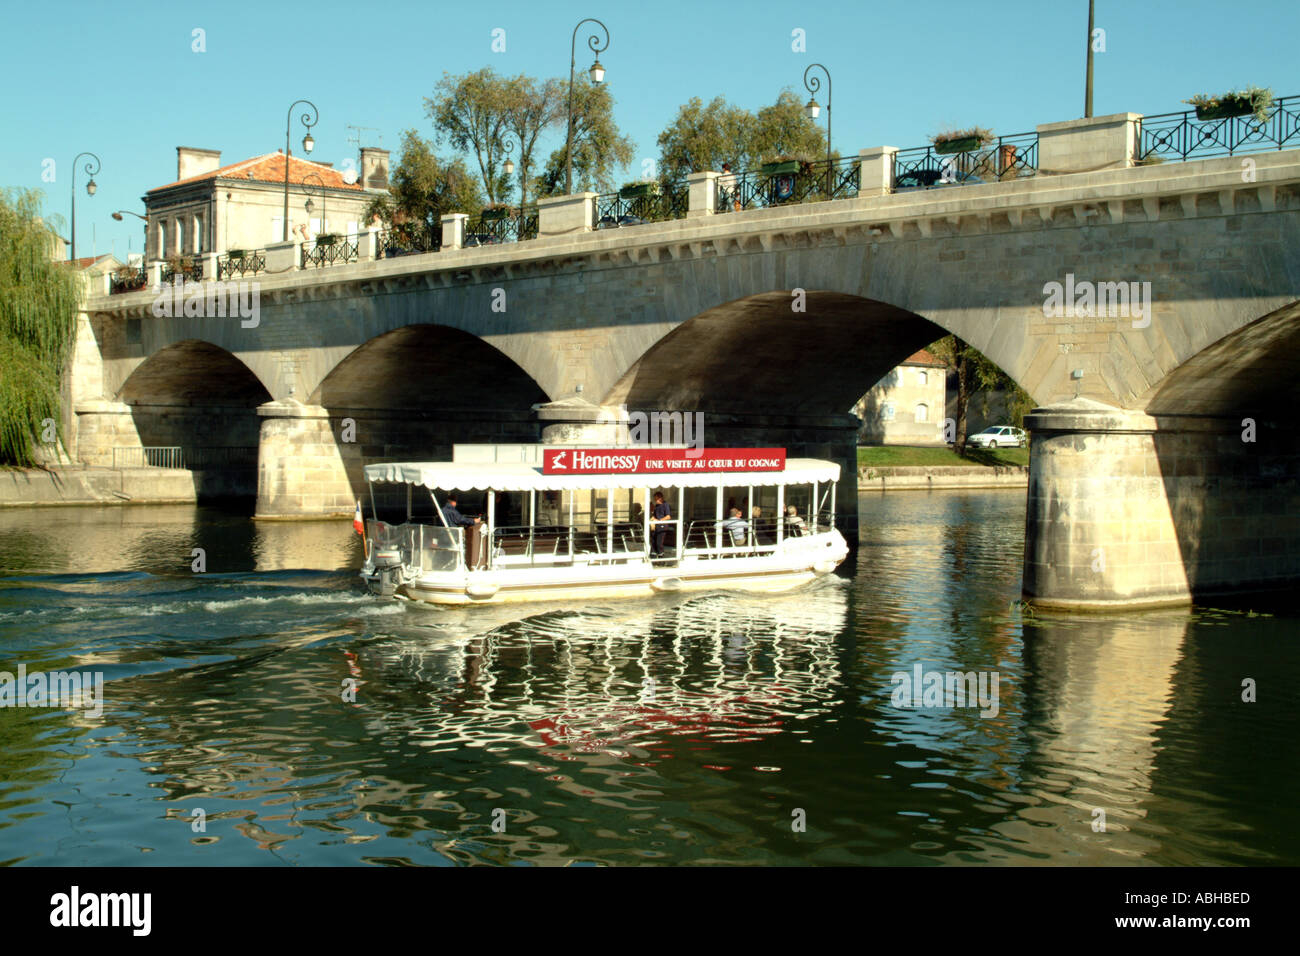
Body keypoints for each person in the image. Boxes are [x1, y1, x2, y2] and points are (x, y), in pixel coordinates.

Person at [650, 491, 673, 557]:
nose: (656, 501)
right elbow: (655, 515)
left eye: (656, 499)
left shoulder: (665, 505)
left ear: (660, 498)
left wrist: (660, 520)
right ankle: (653, 556)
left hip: (662, 526)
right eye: (655, 499)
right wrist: (653, 518)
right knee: (653, 542)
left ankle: (661, 558)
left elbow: (668, 516)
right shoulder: (656, 506)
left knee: (659, 543)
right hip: (656, 526)